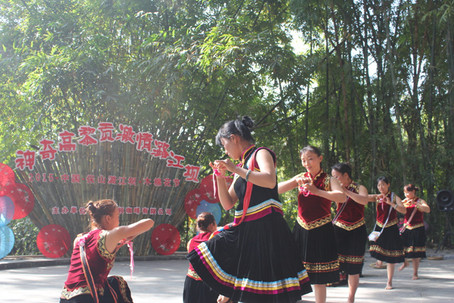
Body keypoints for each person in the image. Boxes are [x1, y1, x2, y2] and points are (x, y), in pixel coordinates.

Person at [188, 116, 312, 303]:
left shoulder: (260, 153)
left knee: (270, 291)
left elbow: (270, 180)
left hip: (267, 230)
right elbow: (228, 203)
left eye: (224, 144)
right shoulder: (241, 167)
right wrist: (220, 177)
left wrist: (235, 170)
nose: (225, 151)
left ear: (234, 138)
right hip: (248, 231)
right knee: (250, 289)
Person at [278, 145, 346, 303]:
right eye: (303, 160)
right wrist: (295, 181)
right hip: (301, 229)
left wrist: (317, 191)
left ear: (320, 158)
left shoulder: (329, 180)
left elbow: (341, 197)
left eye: (310, 159)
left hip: (322, 230)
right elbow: (277, 189)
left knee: (320, 278)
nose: (307, 163)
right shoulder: (301, 177)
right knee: (293, 272)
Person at [60, 199, 155, 303]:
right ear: (108, 218)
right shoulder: (110, 235)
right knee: (118, 283)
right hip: (87, 298)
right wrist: (124, 234)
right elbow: (149, 222)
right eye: (117, 216)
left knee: (113, 283)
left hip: (65, 298)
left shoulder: (79, 239)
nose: (119, 221)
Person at [331, 163, 368, 303]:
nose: (334, 179)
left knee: (354, 266)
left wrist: (345, 191)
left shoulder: (360, 188)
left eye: (336, 177)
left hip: (357, 229)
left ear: (346, 175)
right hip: (339, 228)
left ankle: (351, 298)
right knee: (335, 262)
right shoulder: (335, 189)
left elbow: (364, 200)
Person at [368, 176, 405, 290]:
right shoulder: (377, 197)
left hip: (391, 229)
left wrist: (391, 204)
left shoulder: (394, 197)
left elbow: (403, 210)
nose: (381, 187)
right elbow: (364, 198)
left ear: (388, 184)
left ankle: (389, 282)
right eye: (379, 185)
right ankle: (380, 261)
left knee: (390, 257)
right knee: (374, 248)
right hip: (379, 227)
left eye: (383, 184)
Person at [183, 212, 219, 303]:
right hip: (209, 284)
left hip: (191, 282)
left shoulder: (191, 242)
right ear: (212, 224)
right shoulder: (216, 240)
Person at [398, 184, 431, 280]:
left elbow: (427, 209)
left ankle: (415, 273)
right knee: (401, 248)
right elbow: (396, 209)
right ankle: (405, 262)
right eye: (405, 192)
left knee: (415, 252)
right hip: (406, 228)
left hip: (417, 228)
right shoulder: (403, 202)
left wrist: (417, 205)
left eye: (409, 192)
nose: (407, 194)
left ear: (413, 192)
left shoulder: (420, 201)